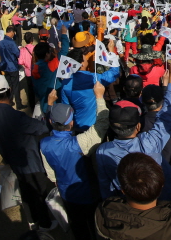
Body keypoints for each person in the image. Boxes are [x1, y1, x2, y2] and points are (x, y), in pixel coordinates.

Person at [96, 52, 171, 202]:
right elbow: (167, 118)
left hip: (127, 203)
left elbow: (104, 183)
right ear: (138, 126)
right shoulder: (148, 144)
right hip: (162, 197)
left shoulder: (103, 151)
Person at [0, 75, 56, 231]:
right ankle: (45, 223)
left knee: (25, 191)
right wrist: (50, 106)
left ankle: (32, 219)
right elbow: (43, 128)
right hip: (30, 161)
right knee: (39, 192)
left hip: (13, 161)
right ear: (10, 91)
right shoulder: (18, 117)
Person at [40, 81, 108, 240]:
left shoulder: (44, 144)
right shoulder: (79, 143)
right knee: (94, 225)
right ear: (71, 123)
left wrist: (50, 105)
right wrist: (99, 97)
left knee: (78, 227)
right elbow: (102, 124)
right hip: (88, 193)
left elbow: (50, 173)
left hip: (66, 194)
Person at [0, 25, 23, 109]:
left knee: (9, 85)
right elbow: (17, 54)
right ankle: (18, 103)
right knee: (16, 86)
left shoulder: (1, 42)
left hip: (4, 66)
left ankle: (10, 100)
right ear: (12, 32)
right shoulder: (12, 43)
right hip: (12, 66)